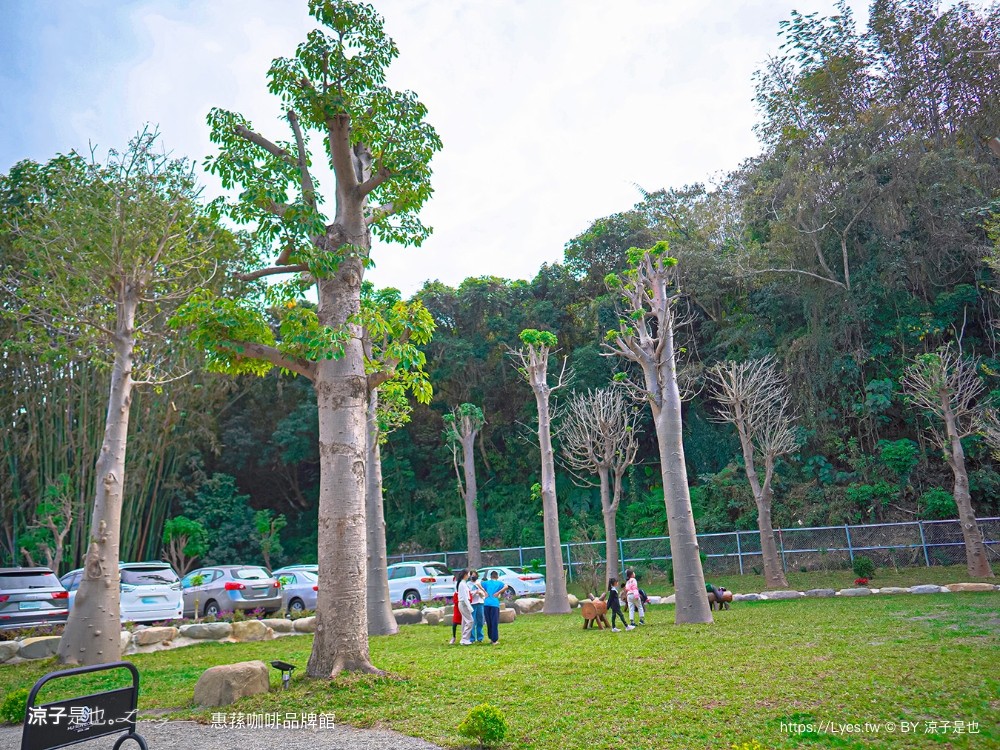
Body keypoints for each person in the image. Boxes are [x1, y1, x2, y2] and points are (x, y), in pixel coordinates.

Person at [480, 570, 510, 644]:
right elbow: (506, 586)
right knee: (494, 622)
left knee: (489, 621)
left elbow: (478, 583)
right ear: (497, 576)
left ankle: (491, 638)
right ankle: (494, 639)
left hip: (486, 604)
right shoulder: (499, 583)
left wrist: (484, 591)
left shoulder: (486, 583)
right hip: (494, 604)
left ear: (490, 576)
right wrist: (498, 592)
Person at [456, 568, 474, 645]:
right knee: (470, 621)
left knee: (464, 621)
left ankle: (464, 639)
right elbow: (465, 597)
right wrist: (469, 607)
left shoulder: (463, 583)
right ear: (465, 575)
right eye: (468, 574)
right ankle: (465, 638)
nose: (469, 576)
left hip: (463, 603)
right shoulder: (462, 584)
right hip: (464, 603)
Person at [469, 570, 486, 643]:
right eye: (472, 575)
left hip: (480, 603)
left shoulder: (479, 583)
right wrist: (475, 592)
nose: (473, 576)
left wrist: (480, 593)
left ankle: (480, 637)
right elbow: (468, 594)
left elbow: (484, 592)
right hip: (472, 604)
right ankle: (472, 638)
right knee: (473, 621)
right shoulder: (468, 584)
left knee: (480, 620)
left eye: (475, 575)